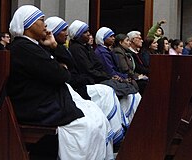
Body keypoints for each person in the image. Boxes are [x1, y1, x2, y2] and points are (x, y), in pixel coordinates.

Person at [7, 5, 114, 160]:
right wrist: (60, 68)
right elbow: (62, 76)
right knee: (87, 127)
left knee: (95, 116)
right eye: (41, 20)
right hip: (36, 107)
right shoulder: (24, 47)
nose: (45, 25)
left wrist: (55, 46)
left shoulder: (34, 45)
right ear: (28, 24)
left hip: (44, 100)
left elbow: (68, 66)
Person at [45, 16, 126, 148]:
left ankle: (117, 133)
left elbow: (92, 66)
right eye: (63, 30)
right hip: (71, 89)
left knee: (99, 115)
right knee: (92, 118)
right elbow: (71, 73)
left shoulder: (78, 48)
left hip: (76, 85)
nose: (66, 33)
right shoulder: (73, 49)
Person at [68, 20, 141, 126]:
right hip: (91, 81)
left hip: (99, 77)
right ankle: (120, 124)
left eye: (88, 31)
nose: (89, 34)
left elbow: (98, 66)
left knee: (132, 92)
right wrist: (110, 77)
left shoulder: (87, 47)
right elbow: (89, 70)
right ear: (78, 35)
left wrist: (111, 76)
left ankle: (130, 121)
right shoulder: (77, 49)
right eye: (85, 32)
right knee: (115, 91)